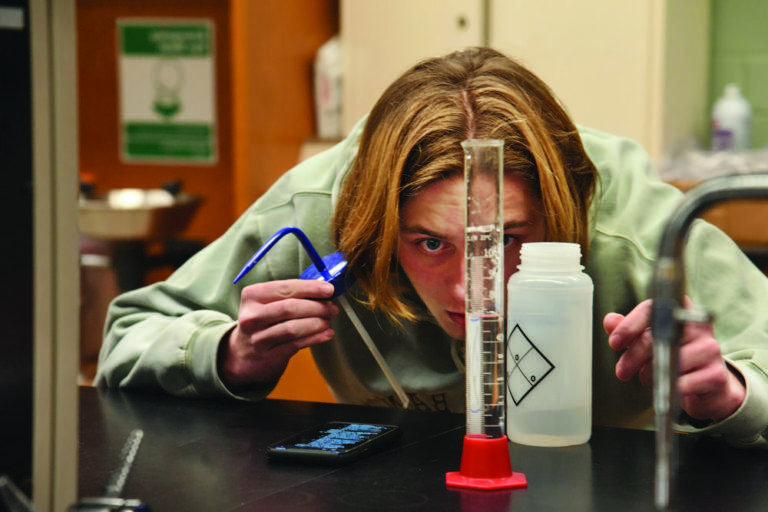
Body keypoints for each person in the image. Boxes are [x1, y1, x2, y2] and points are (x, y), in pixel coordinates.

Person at [95, 47, 768, 448]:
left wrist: (727, 394)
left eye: (506, 239)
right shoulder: (324, 208)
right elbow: (129, 334)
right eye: (429, 243)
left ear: (557, 214)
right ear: (378, 224)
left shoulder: (637, 229)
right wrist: (229, 355)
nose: (471, 289)